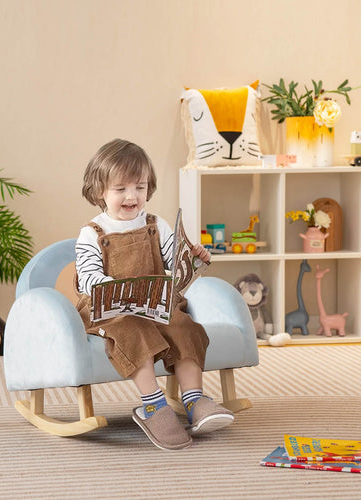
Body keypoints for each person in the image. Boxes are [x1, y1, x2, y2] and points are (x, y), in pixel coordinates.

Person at [75, 138, 234, 450]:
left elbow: (175, 261)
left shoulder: (155, 225)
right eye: (120, 189)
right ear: (99, 192)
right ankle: (153, 405)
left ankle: (194, 399)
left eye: (140, 187)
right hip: (111, 311)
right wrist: (115, 288)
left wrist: (192, 259)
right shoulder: (93, 232)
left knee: (183, 325)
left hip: (153, 304)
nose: (132, 196)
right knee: (134, 331)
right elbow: (87, 275)